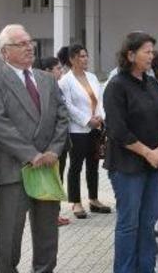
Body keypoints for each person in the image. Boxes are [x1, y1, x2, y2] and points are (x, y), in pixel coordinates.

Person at [0, 24, 69, 273]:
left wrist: (53, 150)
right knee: (9, 236)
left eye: (30, 42)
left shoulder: (46, 79)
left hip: (47, 167)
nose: (29, 47)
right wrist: (32, 154)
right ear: (4, 52)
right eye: (21, 44)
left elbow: (63, 117)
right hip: (13, 170)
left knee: (48, 234)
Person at [103, 32, 158, 273]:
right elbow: (118, 130)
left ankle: (146, 269)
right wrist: (148, 153)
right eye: (147, 51)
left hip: (153, 165)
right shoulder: (116, 86)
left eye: (153, 51)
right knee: (128, 225)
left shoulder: (151, 82)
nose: (152, 56)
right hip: (127, 168)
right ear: (131, 55)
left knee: (147, 223)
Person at [57, 44, 110, 221]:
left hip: (96, 127)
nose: (85, 59)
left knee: (93, 165)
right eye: (81, 56)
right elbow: (68, 105)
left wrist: (99, 117)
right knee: (76, 166)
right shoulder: (66, 80)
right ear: (72, 59)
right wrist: (87, 120)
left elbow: (100, 99)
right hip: (78, 129)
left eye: (86, 56)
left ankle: (94, 199)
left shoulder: (92, 77)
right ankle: (75, 201)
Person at [35, 55, 72, 227]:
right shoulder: (42, 90)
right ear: (47, 71)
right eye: (57, 68)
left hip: (61, 144)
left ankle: (54, 213)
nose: (61, 71)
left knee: (58, 178)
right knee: (50, 179)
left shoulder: (56, 87)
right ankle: (50, 215)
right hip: (48, 146)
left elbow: (63, 116)